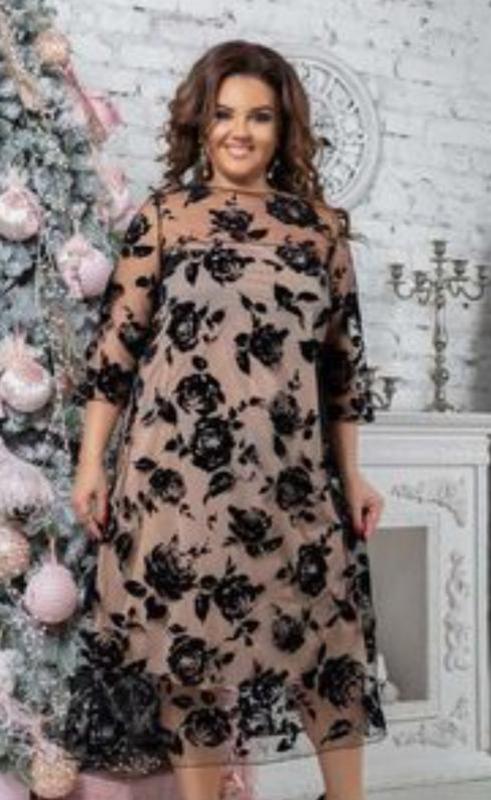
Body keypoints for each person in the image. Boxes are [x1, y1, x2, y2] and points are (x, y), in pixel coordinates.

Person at [69, 39, 387, 800]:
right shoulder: (166, 217)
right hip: (172, 480)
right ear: (200, 122)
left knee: (328, 651)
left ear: (284, 129)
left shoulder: (320, 230)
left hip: (293, 479)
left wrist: (352, 476)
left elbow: (341, 370)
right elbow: (115, 354)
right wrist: (90, 465)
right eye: (223, 114)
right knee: (190, 659)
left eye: (259, 116)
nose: (239, 131)